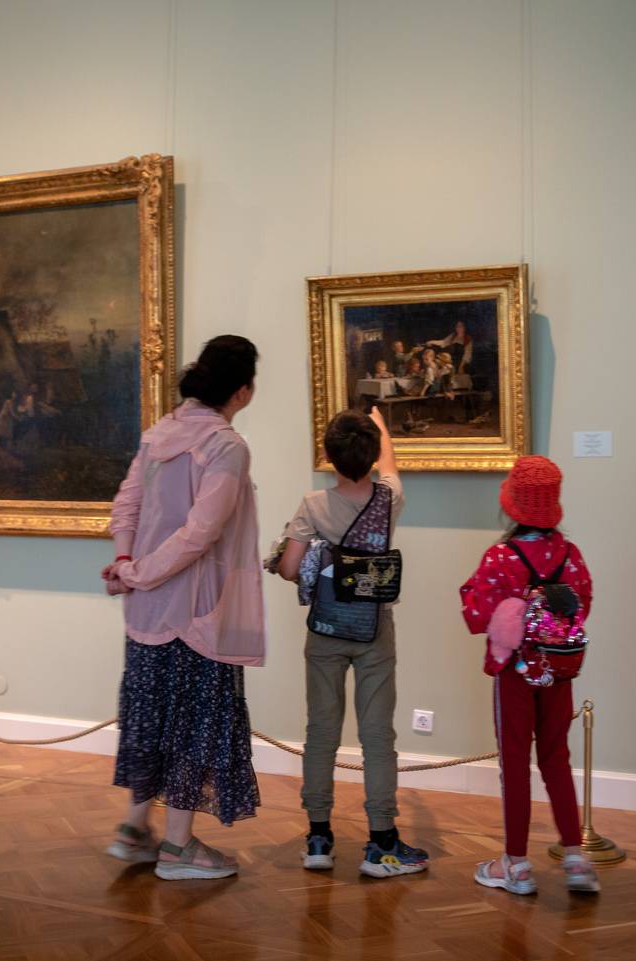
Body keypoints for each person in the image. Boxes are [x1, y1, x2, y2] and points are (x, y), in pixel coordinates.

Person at [101, 335, 265, 881]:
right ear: (242, 391)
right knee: (194, 724)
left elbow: (126, 506)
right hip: (196, 613)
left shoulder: (158, 435)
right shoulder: (225, 447)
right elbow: (201, 533)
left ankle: (133, 830)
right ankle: (176, 847)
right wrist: (138, 570)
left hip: (146, 610)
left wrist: (127, 563)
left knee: (150, 717)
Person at [272, 408, 429, 878]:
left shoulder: (312, 504)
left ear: (329, 455)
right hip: (373, 629)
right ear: (372, 452)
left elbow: (288, 568)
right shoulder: (389, 498)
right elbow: (390, 465)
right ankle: (382, 842)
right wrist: (381, 427)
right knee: (377, 736)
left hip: (325, 630)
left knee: (321, 731)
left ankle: (319, 838)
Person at [459, 456, 599, 896]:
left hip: (514, 675)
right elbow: (583, 605)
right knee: (557, 758)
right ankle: (575, 858)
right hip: (559, 673)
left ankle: (516, 865)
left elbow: (476, 614)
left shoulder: (500, 557)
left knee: (515, 764)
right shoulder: (570, 556)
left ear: (512, 506)